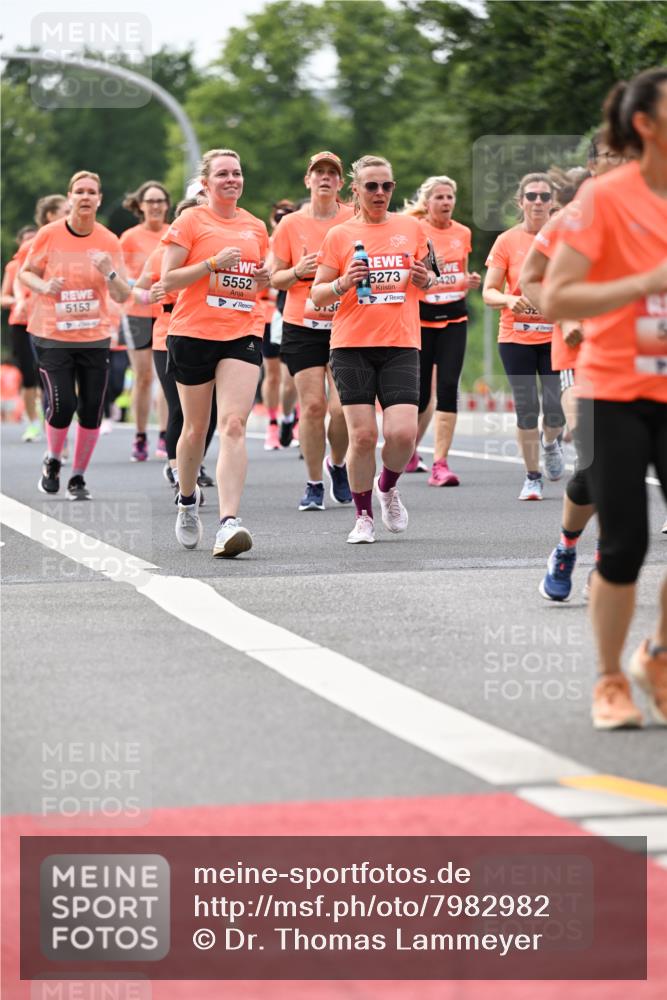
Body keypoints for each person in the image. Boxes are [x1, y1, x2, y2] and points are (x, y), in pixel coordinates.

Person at [543, 67, 667, 729]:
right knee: (625, 545)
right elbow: (558, 294)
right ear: (644, 124)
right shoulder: (605, 199)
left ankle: (659, 657)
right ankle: (609, 679)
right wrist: (644, 281)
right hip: (614, 388)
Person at [311, 154, 434, 543]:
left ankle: (387, 486)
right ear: (356, 190)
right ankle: (362, 516)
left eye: (387, 186)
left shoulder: (411, 227)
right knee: (362, 436)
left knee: (402, 435)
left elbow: (431, 275)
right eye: (371, 186)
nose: (380, 193)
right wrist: (345, 282)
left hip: (400, 342)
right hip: (351, 345)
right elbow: (316, 296)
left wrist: (425, 277)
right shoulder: (340, 236)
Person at [161, 148, 270, 557]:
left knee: (235, 425)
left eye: (237, 173)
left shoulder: (256, 227)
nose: (232, 180)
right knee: (194, 429)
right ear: (206, 184)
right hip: (192, 333)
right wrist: (210, 263)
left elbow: (255, 283)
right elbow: (168, 279)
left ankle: (229, 523)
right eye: (222, 174)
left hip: (241, 331)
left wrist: (260, 278)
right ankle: (187, 500)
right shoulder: (190, 220)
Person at [521, 160, 621, 603]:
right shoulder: (567, 223)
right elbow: (530, 280)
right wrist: (563, 317)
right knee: (596, 452)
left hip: (633, 359)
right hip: (580, 356)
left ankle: (607, 552)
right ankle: (567, 549)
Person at [19, 170, 130, 499]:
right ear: (70, 197)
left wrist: (109, 271)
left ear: (99, 199)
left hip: (94, 336)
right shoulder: (50, 234)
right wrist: (45, 286)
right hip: (52, 333)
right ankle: (53, 459)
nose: (85, 196)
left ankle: (78, 477)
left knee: (93, 407)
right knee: (63, 403)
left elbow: (123, 294)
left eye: (91, 192)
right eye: (79, 191)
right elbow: (27, 273)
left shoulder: (109, 241)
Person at [272, 152, 354, 509]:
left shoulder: (355, 218)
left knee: (342, 409)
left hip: (346, 324)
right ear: (308, 180)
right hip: (301, 324)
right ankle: (313, 482)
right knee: (313, 406)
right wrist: (297, 271)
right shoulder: (289, 224)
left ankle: (337, 465)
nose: (324, 178)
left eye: (331, 174)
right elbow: (274, 277)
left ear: (340, 183)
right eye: (318, 172)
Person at [483, 173, 565, 500]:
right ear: (521, 202)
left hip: (556, 334)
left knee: (556, 407)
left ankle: (550, 442)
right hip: (515, 336)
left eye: (545, 197)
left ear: (553, 202)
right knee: (527, 407)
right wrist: (507, 299)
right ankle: (532, 476)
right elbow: (488, 291)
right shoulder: (506, 241)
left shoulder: (565, 240)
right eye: (531, 196)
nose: (538, 202)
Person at [135, 196, 217, 497]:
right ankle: (175, 465)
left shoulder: (216, 252)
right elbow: (138, 291)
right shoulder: (163, 254)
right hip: (167, 337)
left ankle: (193, 463)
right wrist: (151, 295)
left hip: (209, 334)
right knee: (180, 409)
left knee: (211, 413)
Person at [403, 175, 481, 486]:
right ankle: (408, 451)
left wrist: (468, 281)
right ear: (427, 202)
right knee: (420, 395)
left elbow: (459, 273)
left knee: (448, 386)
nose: (446, 202)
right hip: (422, 318)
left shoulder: (463, 232)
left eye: (450, 197)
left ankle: (440, 464)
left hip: (454, 318)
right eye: (439, 197)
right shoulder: (417, 231)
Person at [119, 180, 171, 462]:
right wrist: (140, 288)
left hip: (167, 311)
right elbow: (119, 275)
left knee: (166, 377)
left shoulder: (173, 233)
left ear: (166, 205)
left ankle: (164, 433)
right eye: (149, 201)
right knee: (143, 377)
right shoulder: (129, 238)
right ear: (140, 206)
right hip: (138, 313)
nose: (155, 206)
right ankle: (140, 435)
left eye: (159, 201)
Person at [260, 199, 295, 451]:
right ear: (274, 220)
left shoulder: (298, 242)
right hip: (264, 315)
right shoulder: (266, 244)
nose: (284, 219)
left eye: (289, 215)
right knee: (272, 375)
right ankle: (272, 424)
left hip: (288, 313)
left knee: (292, 375)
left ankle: (291, 419)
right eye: (279, 215)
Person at [2, 225, 39, 439]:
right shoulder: (13, 267)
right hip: (20, 323)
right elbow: (2, 297)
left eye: (34, 239)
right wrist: (17, 301)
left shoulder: (47, 262)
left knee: (46, 371)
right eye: (26, 240)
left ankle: (47, 414)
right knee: (28, 374)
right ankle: (32, 422)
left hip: (45, 322)